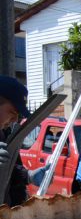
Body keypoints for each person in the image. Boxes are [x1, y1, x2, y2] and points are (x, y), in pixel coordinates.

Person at [0, 75, 35, 206]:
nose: (15, 119)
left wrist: (28, 176)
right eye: (12, 112)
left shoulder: (2, 134)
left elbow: (8, 170)